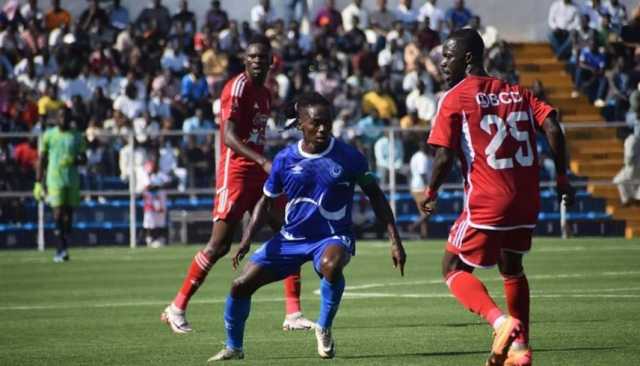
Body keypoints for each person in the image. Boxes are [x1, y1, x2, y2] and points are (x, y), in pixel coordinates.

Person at [207, 92, 406, 362]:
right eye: (316, 123)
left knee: (331, 265)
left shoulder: (349, 157)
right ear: (301, 124)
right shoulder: (284, 160)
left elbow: (376, 196)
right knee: (240, 285)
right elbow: (265, 204)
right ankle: (234, 347)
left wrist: (395, 239)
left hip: (333, 236)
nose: (323, 128)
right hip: (291, 238)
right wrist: (246, 239)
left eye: (327, 122)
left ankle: (323, 326)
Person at [419, 29, 575, 366]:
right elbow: (552, 127)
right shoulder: (517, 92)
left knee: (451, 267)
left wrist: (430, 192)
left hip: (488, 199)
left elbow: (444, 157)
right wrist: (562, 177)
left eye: (449, 56)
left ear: (469, 58)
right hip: (527, 199)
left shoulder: (455, 97)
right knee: (512, 267)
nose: (444, 63)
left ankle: (501, 323)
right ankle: (520, 350)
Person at [162, 36, 314, 334]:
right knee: (219, 245)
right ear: (246, 60)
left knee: (291, 230)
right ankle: (176, 307)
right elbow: (229, 137)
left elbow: (257, 128)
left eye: (263, 57)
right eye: (253, 57)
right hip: (236, 173)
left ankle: (293, 313)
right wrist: (264, 161)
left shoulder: (266, 92)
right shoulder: (238, 87)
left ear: (272, 62)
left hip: (258, 172)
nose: (257, 61)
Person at [33, 107, 87, 262]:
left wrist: (74, 160)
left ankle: (63, 244)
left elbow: (84, 159)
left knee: (68, 217)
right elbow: (42, 159)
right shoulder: (49, 135)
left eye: (66, 116)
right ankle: (60, 250)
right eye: (61, 116)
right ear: (56, 118)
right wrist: (38, 182)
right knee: (57, 213)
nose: (63, 119)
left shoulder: (77, 136)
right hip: (54, 179)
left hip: (72, 180)